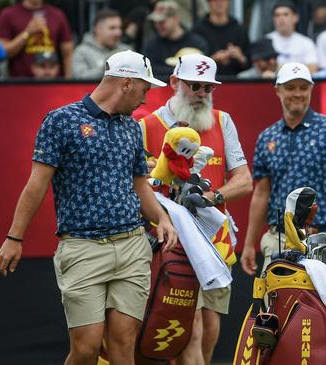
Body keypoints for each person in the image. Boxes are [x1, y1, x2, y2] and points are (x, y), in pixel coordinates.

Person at [0, 50, 178, 364]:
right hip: (82, 248)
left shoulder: (131, 128)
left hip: (132, 245)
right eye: (144, 89)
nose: (146, 99)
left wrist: (162, 218)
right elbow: (37, 184)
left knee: (123, 344)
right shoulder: (61, 120)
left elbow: (139, 185)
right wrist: (15, 237)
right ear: (126, 83)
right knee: (86, 348)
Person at [138, 54, 253, 365]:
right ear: (175, 83)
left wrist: (213, 197)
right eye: (195, 86)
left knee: (209, 329)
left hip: (215, 244)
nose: (202, 94)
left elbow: (244, 181)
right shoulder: (147, 126)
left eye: (208, 88)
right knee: (185, 328)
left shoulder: (222, 120)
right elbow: (134, 186)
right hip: (168, 245)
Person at [240, 62, 326, 277]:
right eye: (291, 87)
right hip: (278, 238)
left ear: (311, 89)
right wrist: (249, 243)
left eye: (303, 88)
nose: (297, 94)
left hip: (319, 236)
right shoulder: (267, 137)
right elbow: (261, 192)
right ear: (278, 91)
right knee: (274, 305)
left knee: (315, 306)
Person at [0, 0, 73, 78]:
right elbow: (2, 52)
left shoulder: (57, 15)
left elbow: (67, 52)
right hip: (20, 82)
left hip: (52, 82)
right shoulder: (7, 15)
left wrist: (68, 80)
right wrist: (27, 32)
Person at [142, 0, 209, 80]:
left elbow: (202, 70)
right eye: (155, 22)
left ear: (176, 19)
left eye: (162, 21)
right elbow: (147, 70)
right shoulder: (151, 44)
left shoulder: (196, 43)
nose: (157, 25)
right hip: (159, 90)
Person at [193, 0, 250, 76]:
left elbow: (250, 63)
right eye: (215, 0)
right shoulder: (198, 30)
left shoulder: (240, 29)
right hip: (206, 82)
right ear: (208, 2)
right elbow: (193, 63)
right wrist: (213, 59)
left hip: (237, 82)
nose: (219, 3)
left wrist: (241, 57)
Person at [72, 8, 131, 79]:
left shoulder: (127, 51)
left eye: (120, 28)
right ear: (98, 29)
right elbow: (78, 80)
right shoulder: (82, 52)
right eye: (112, 28)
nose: (118, 33)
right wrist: (106, 68)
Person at [267, 1, 319, 73]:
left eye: (285, 14)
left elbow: (312, 69)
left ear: (296, 17)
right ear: (273, 19)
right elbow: (263, 68)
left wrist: (279, 68)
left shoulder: (306, 42)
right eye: (277, 15)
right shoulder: (266, 41)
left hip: (299, 83)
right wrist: (298, 69)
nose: (281, 19)